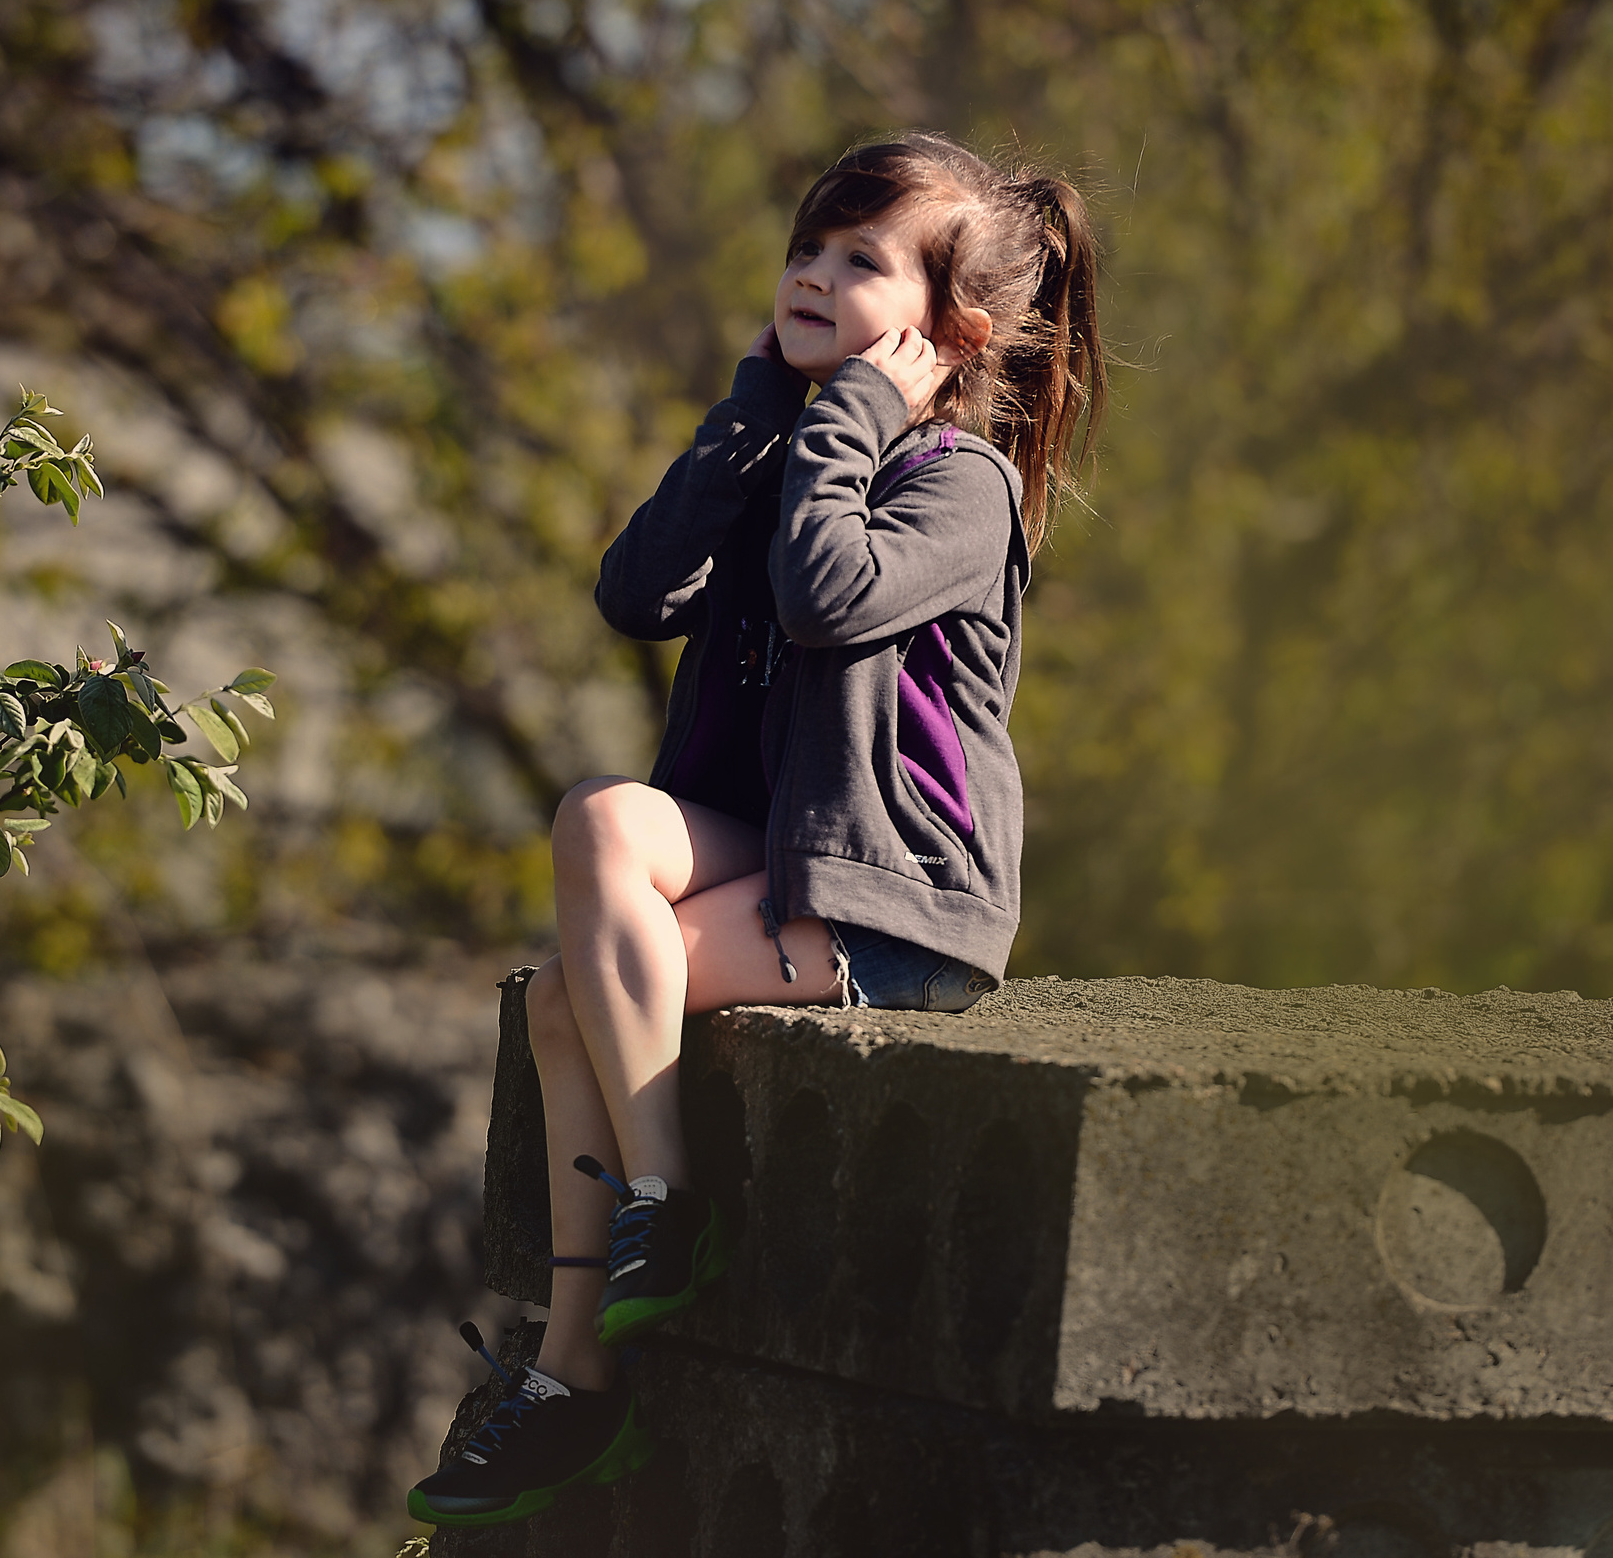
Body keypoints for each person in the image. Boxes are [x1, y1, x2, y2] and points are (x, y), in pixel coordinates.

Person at [406, 132, 1106, 1528]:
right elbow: (636, 588)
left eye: (862, 261)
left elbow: (823, 597)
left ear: (949, 330)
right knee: (596, 838)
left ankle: (578, 1371)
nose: (813, 273)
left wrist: (839, 425)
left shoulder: (957, 484)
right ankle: (646, 1218)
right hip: (792, 845)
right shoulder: (789, 442)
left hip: (893, 902)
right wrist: (755, 407)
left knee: (571, 1004)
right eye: (807, 248)